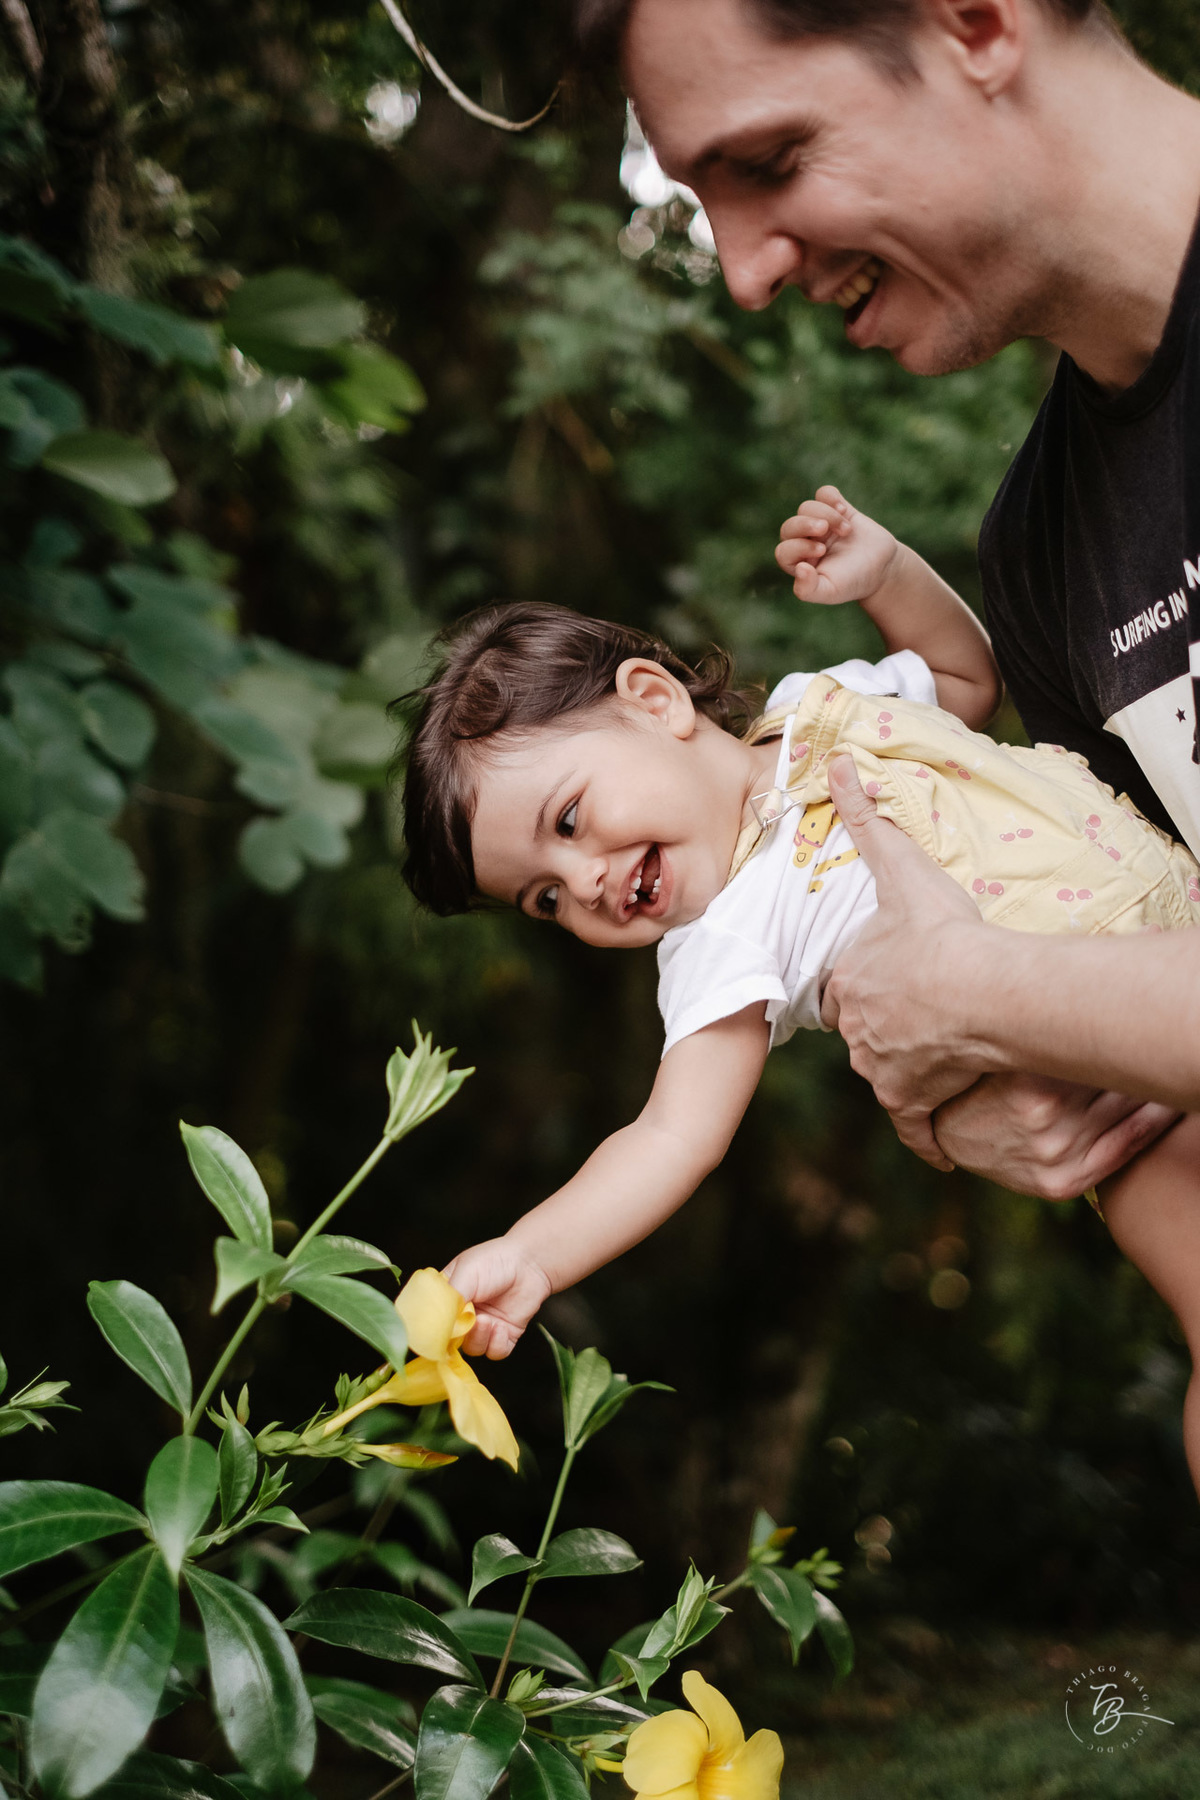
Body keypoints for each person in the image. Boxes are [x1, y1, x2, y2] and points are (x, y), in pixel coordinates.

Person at [400, 490, 1200, 1490]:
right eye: (546, 899)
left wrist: (891, 574)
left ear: (655, 702)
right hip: (1126, 1102)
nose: (587, 883)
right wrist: (536, 1252)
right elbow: (669, 1137)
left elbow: (966, 677)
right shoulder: (725, 940)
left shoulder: (823, 700)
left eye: (569, 821)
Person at [578, 0, 1200, 1202]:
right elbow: (1146, 964)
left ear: (974, 22)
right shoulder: (1041, 549)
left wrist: (969, 998)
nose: (746, 273)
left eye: (769, 164)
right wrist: (977, 1089)